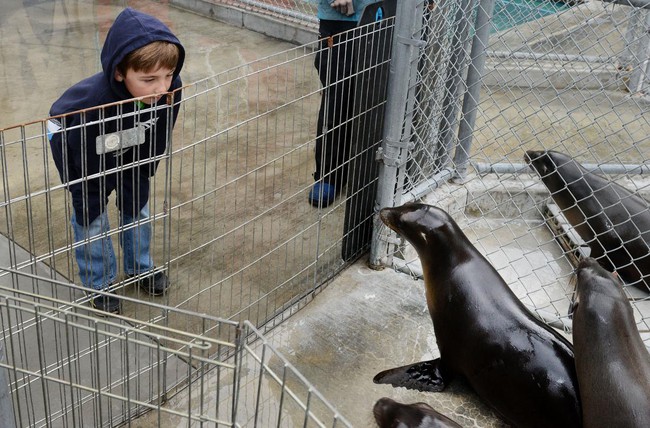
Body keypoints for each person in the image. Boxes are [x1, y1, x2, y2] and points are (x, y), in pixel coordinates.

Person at [47, 8, 185, 314]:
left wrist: (147, 165)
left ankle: (140, 267)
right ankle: (100, 282)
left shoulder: (169, 90)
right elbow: (60, 130)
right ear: (120, 72)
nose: (161, 88)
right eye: (149, 79)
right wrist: (81, 182)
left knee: (137, 203)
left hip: (132, 150)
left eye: (168, 76)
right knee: (91, 216)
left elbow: (162, 126)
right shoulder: (90, 104)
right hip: (85, 153)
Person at [307, 0, 375, 207]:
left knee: (380, 96)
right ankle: (329, 174)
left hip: (393, 13)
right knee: (338, 97)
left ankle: (375, 172)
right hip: (343, 16)